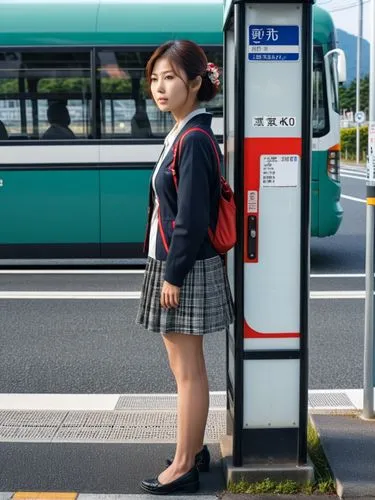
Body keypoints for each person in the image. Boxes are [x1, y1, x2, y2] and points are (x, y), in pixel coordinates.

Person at [136, 40, 234, 495]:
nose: (159, 87)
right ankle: (192, 450)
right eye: (155, 78)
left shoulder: (193, 138)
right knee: (184, 367)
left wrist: (173, 274)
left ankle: (182, 466)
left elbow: (192, 217)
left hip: (184, 266)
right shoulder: (183, 131)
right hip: (175, 261)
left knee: (188, 370)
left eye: (170, 77)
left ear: (195, 83)